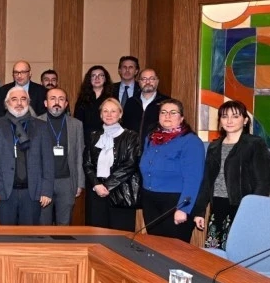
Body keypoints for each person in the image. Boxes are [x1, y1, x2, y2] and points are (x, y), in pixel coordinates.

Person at [192, 100, 270, 248]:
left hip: (243, 207)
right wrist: (199, 211)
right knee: (214, 252)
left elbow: (263, 182)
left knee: (238, 251)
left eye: (235, 116)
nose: (229, 121)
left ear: (245, 120)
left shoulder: (255, 144)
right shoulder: (214, 146)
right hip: (218, 205)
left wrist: (252, 210)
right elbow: (207, 181)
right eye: (224, 116)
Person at [0, 87, 54, 225]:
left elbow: (48, 161)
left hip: (32, 193)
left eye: (23, 99)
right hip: (4, 193)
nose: (19, 103)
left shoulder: (41, 126)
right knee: (6, 235)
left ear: (28, 102)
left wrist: (47, 190)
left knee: (29, 236)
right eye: (14, 99)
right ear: (7, 103)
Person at [139, 99, 205, 243]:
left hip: (175, 202)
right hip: (150, 199)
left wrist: (183, 209)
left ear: (181, 118)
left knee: (175, 249)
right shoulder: (151, 138)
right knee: (155, 245)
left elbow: (193, 179)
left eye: (173, 112)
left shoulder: (191, 141)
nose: (167, 115)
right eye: (163, 112)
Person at [82, 98, 140, 232]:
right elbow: (87, 163)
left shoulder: (131, 136)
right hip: (97, 191)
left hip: (121, 192)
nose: (109, 114)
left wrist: (107, 186)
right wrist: (96, 184)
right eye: (105, 111)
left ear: (120, 114)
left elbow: (130, 164)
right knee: (96, 234)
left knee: (120, 236)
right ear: (100, 114)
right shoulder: (94, 136)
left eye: (113, 111)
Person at [38, 87, 85, 226]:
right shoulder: (36, 122)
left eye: (61, 99)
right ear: (45, 103)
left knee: (64, 224)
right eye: (52, 99)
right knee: (43, 224)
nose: (57, 102)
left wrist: (80, 183)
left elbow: (79, 154)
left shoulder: (76, 124)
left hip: (67, 181)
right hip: (43, 181)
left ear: (66, 104)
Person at [122, 68, 170, 143]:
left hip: (156, 147)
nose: (148, 82)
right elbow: (124, 127)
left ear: (157, 81)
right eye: (144, 79)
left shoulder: (167, 102)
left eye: (152, 79)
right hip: (132, 148)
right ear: (139, 82)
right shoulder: (131, 102)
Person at [74, 65, 113, 143]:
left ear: (105, 79)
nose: (97, 78)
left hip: (106, 139)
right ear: (89, 79)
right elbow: (77, 121)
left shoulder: (112, 98)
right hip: (86, 140)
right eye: (93, 76)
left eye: (100, 75)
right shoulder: (82, 98)